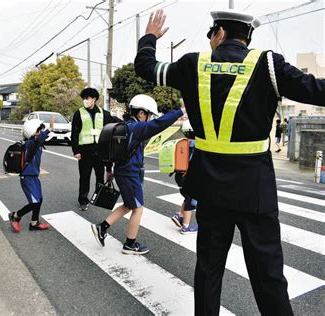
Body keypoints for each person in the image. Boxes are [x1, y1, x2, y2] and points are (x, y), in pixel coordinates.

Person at [135, 9, 324, 315]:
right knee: (268, 275)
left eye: (211, 35)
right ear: (247, 37)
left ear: (219, 33)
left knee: (209, 270)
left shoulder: (192, 64)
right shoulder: (267, 65)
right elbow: (315, 89)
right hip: (255, 190)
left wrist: (150, 37)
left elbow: (145, 67)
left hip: (210, 189)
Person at [91, 94, 184, 255]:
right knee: (138, 208)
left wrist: (109, 170)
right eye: (148, 115)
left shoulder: (126, 126)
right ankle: (130, 244)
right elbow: (159, 124)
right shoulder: (137, 128)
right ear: (141, 113)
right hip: (130, 174)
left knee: (129, 205)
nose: (148, 119)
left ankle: (102, 227)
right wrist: (180, 111)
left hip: (122, 172)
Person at [71, 87, 120, 211]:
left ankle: (99, 197)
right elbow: (74, 133)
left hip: (99, 151)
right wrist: (76, 151)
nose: (85, 100)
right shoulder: (79, 113)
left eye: (87, 98)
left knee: (100, 176)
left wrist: (128, 123)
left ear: (94, 99)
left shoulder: (104, 114)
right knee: (84, 177)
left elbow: (114, 123)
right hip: (84, 151)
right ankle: (83, 200)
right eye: (84, 98)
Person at [9, 117, 54, 232]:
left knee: (39, 199)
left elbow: (40, 139)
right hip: (27, 177)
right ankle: (16, 215)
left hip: (34, 176)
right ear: (33, 132)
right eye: (39, 130)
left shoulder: (35, 142)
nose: (41, 132)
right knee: (35, 202)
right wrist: (49, 129)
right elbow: (39, 139)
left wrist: (47, 130)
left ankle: (34, 223)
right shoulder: (31, 143)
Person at [171, 120, 198, 234]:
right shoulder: (196, 145)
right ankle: (185, 226)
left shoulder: (182, 143)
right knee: (190, 201)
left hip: (179, 176)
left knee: (187, 196)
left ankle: (179, 215)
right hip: (189, 176)